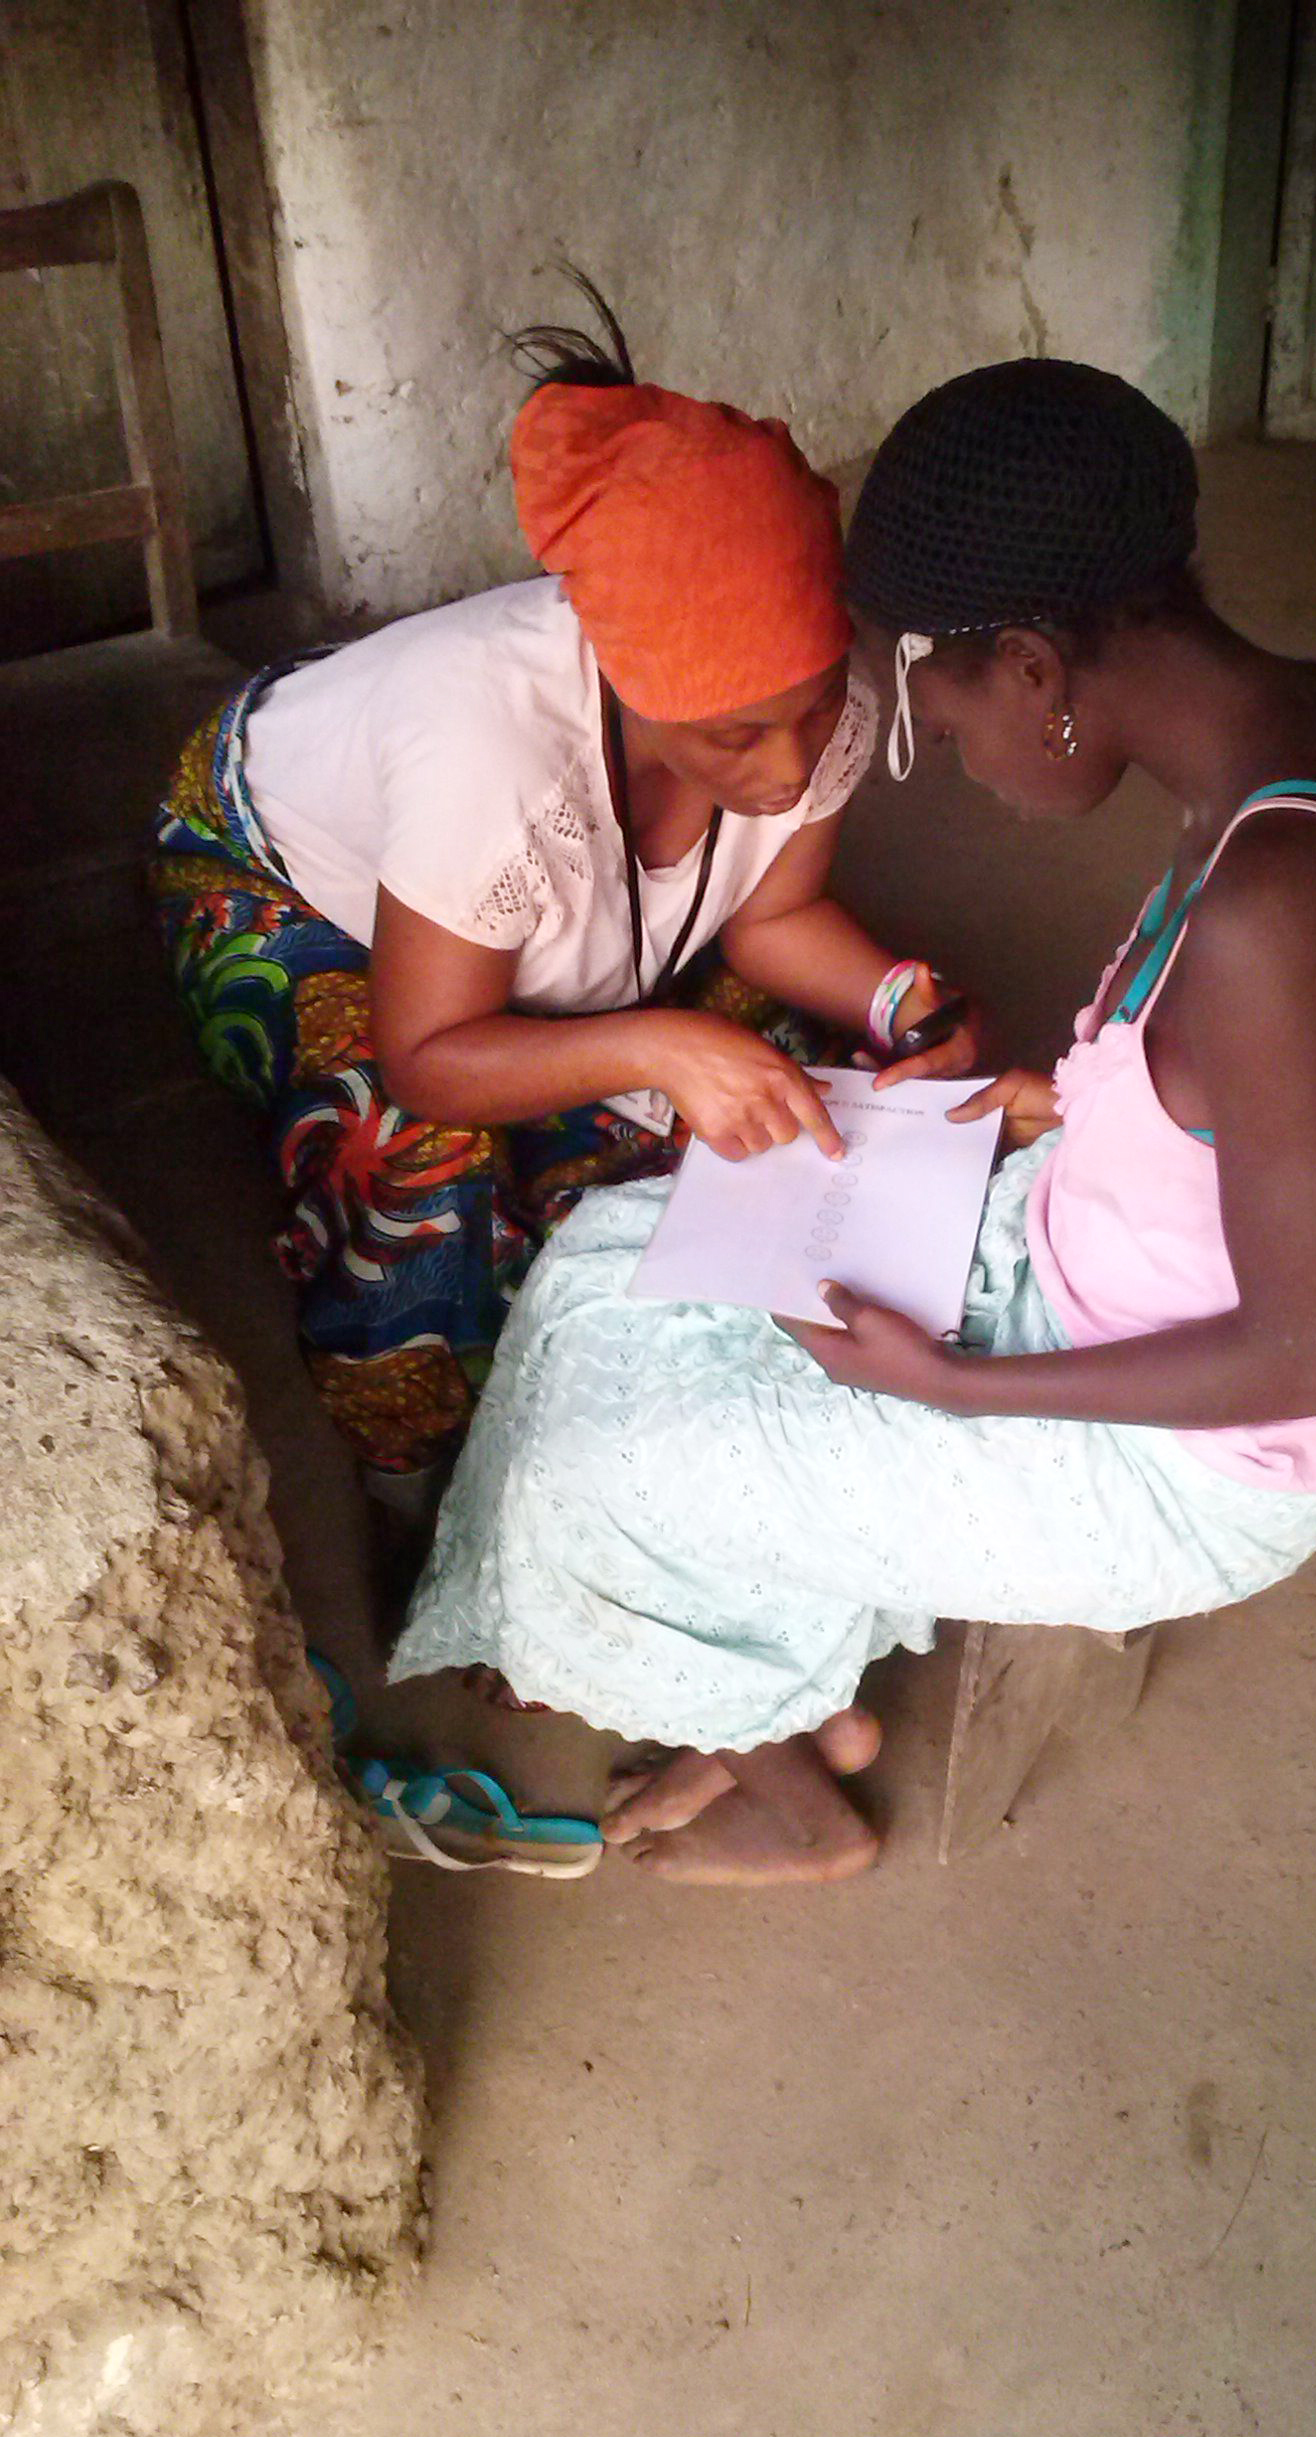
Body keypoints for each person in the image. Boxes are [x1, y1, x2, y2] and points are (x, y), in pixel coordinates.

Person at [390, 357, 1316, 1884]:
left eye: (941, 710)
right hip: (1108, 1275)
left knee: (606, 1473)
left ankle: (801, 1810)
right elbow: (1267, 1106)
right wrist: (1055, 1117)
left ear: (1034, 668)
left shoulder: (1277, 909)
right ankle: (777, 1700)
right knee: (613, 1249)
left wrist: (946, 1388)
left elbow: (1310, 1356)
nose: (951, 754)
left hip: (1200, 1468)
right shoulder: (1315, 734)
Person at [150, 280, 977, 1551]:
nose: (788, 768)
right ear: (628, 680)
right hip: (267, 860)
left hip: (450, 833)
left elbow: (773, 918)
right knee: (410, 1148)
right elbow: (432, 1056)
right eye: (735, 735)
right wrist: (652, 1043)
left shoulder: (824, 687)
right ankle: (410, 1493)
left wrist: (897, 998)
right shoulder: (488, 756)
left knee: (801, 1097)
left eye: (812, 714)